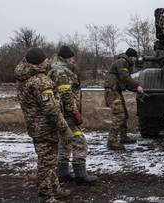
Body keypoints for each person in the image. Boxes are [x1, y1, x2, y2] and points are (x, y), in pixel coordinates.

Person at [14, 47, 71, 203]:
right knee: (46, 163)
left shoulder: (25, 77)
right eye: (45, 59)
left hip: (35, 127)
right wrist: (64, 128)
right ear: (40, 62)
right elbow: (51, 108)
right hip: (45, 128)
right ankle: (46, 197)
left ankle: (54, 188)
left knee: (49, 160)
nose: (48, 61)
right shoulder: (40, 80)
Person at [48, 45, 97, 185]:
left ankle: (62, 173)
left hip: (59, 112)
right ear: (67, 58)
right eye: (72, 58)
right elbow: (65, 94)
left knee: (65, 141)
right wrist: (75, 112)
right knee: (79, 141)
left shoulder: (54, 69)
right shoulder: (62, 72)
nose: (73, 60)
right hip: (67, 113)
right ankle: (80, 175)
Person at [104, 48, 144, 150]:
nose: (135, 60)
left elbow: (125, 84)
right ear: (131, 56)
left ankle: (123, 136)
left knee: (124, 114)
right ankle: (112, 141)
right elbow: (125, 78)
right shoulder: (122, 62)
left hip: (116, 91)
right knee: (119, 115)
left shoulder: (125, 63)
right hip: (112, 91)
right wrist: (137, 85)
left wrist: (136, 89)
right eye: (134, 57)